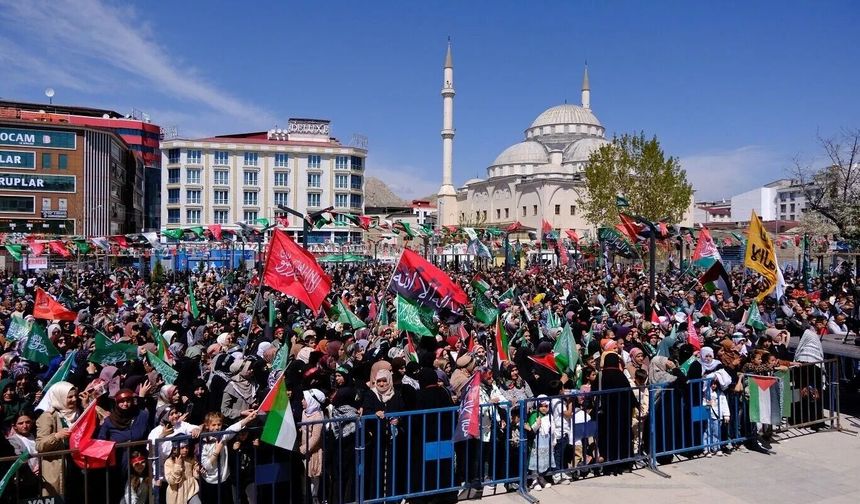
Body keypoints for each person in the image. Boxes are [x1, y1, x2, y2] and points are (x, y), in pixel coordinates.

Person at [199, 410, 258, 504]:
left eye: (219, 424)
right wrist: (216, 452)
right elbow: (206, 465)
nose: (217, 427)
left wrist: (247, 419)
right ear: (207, 426)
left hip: (224, 479)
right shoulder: (204, 441)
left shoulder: (223, 436)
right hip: (210, 481)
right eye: (213, 425)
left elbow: (233, 428)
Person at [35, 381, 79, 497]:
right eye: (69, 397)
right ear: (60, 397)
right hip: (57, 468)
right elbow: (39, 445)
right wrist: (56, 436)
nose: (74, 399)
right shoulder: (48, 416)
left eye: (75, 396)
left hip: (76, 467)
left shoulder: (78, 413)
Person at [299, 389, 325, 504]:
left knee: (314, 476)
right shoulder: (304, 412)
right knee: (304, 475)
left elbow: (315, 437)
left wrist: (304, 449)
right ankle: (305, 498)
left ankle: (315, 498)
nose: (302, 401)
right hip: (303, 450)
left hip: (312, 451)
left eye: (304, 399)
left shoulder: (318, 416)